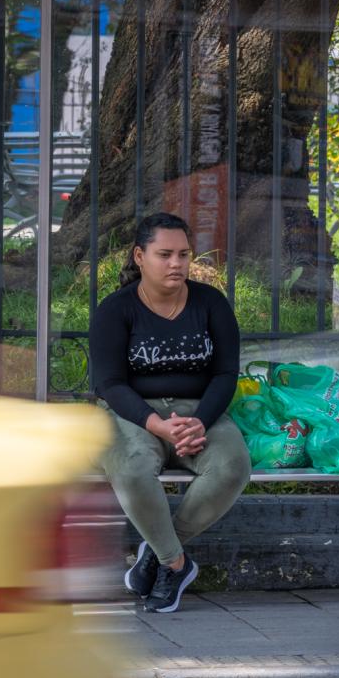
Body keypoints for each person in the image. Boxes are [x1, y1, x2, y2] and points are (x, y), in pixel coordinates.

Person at [90, 213, 251, 613]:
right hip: (132, 413)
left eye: (183, 254)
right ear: (140, 256)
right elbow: (108, 384)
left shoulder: (211, 303)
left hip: (199, 412)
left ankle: (157, 554)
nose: (176, 263)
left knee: (232, 466)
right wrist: (157, 424)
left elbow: (226, 373)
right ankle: (175, 563)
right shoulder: (115, 310)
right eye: (164, 254)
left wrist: (202, 420)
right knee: (131, 469)